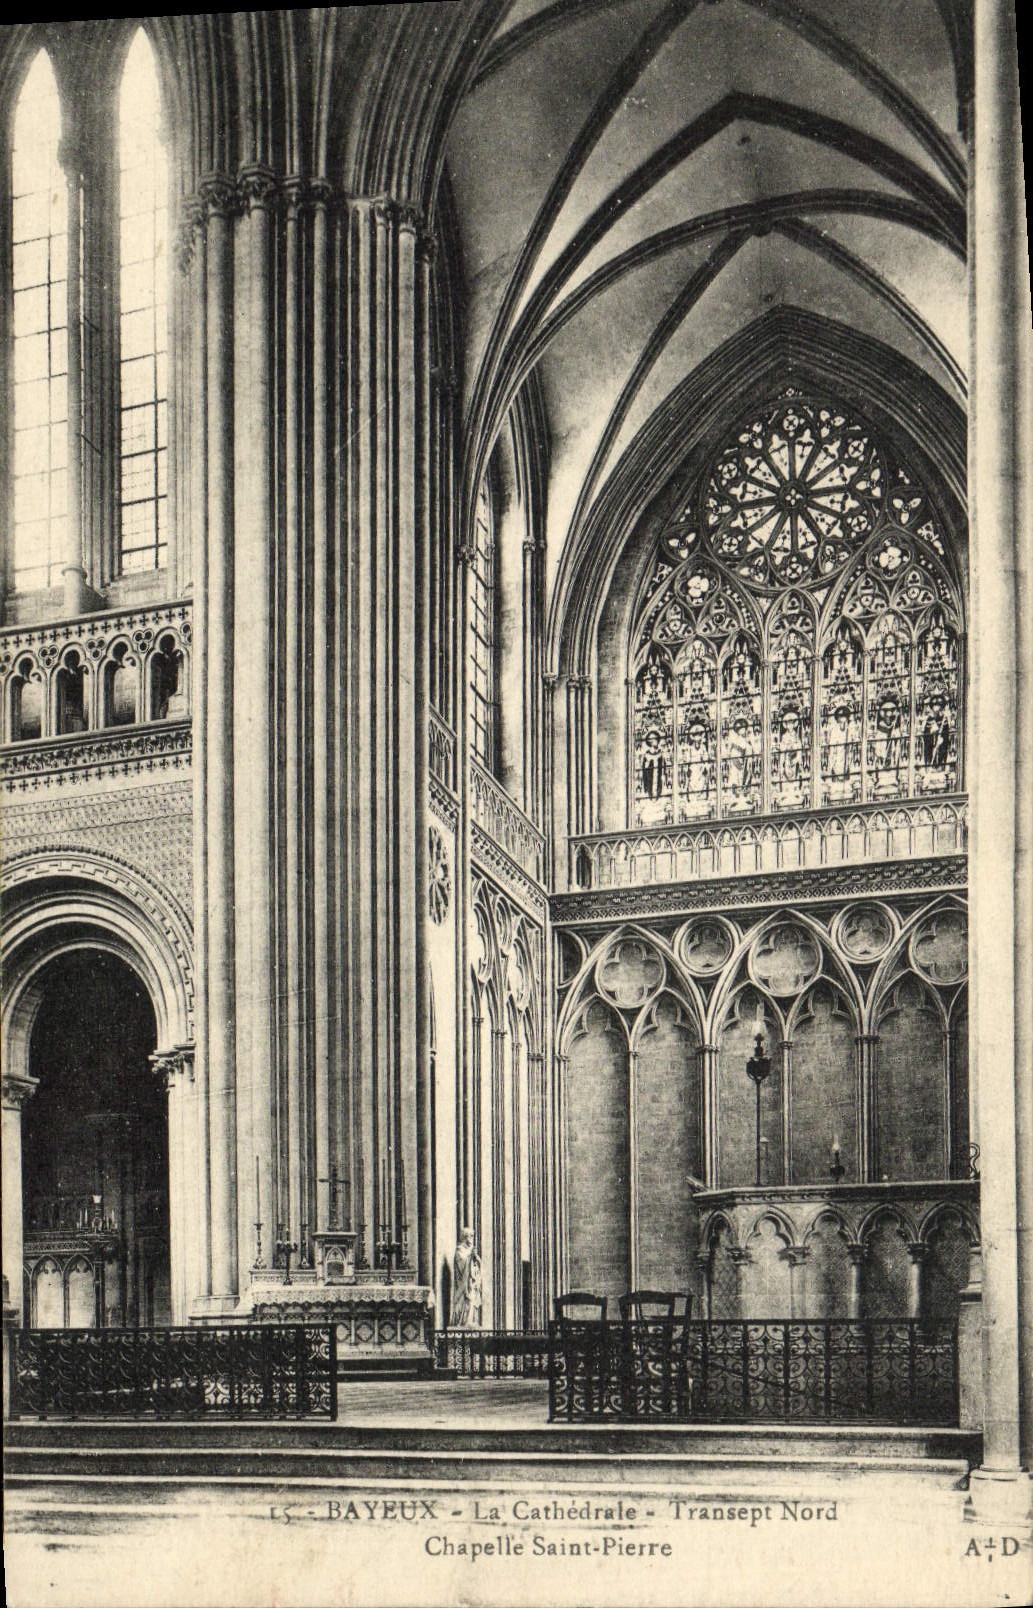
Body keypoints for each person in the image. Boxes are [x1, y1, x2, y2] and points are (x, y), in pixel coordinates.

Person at [450, 1226, 483, 1327]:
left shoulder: (470, 1250)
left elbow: (477, 1265)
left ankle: (470, 1321)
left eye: (473, 1236)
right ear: (465, 1237)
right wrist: (470, 1257)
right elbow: (461, 1264)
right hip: (464, 1285)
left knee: (472, 1302)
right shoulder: (460, 1250)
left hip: (472, 1283)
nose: (472, 1239)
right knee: (467, 1301)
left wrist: (476, 1258)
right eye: (471, 1236)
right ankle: (464, 1321)